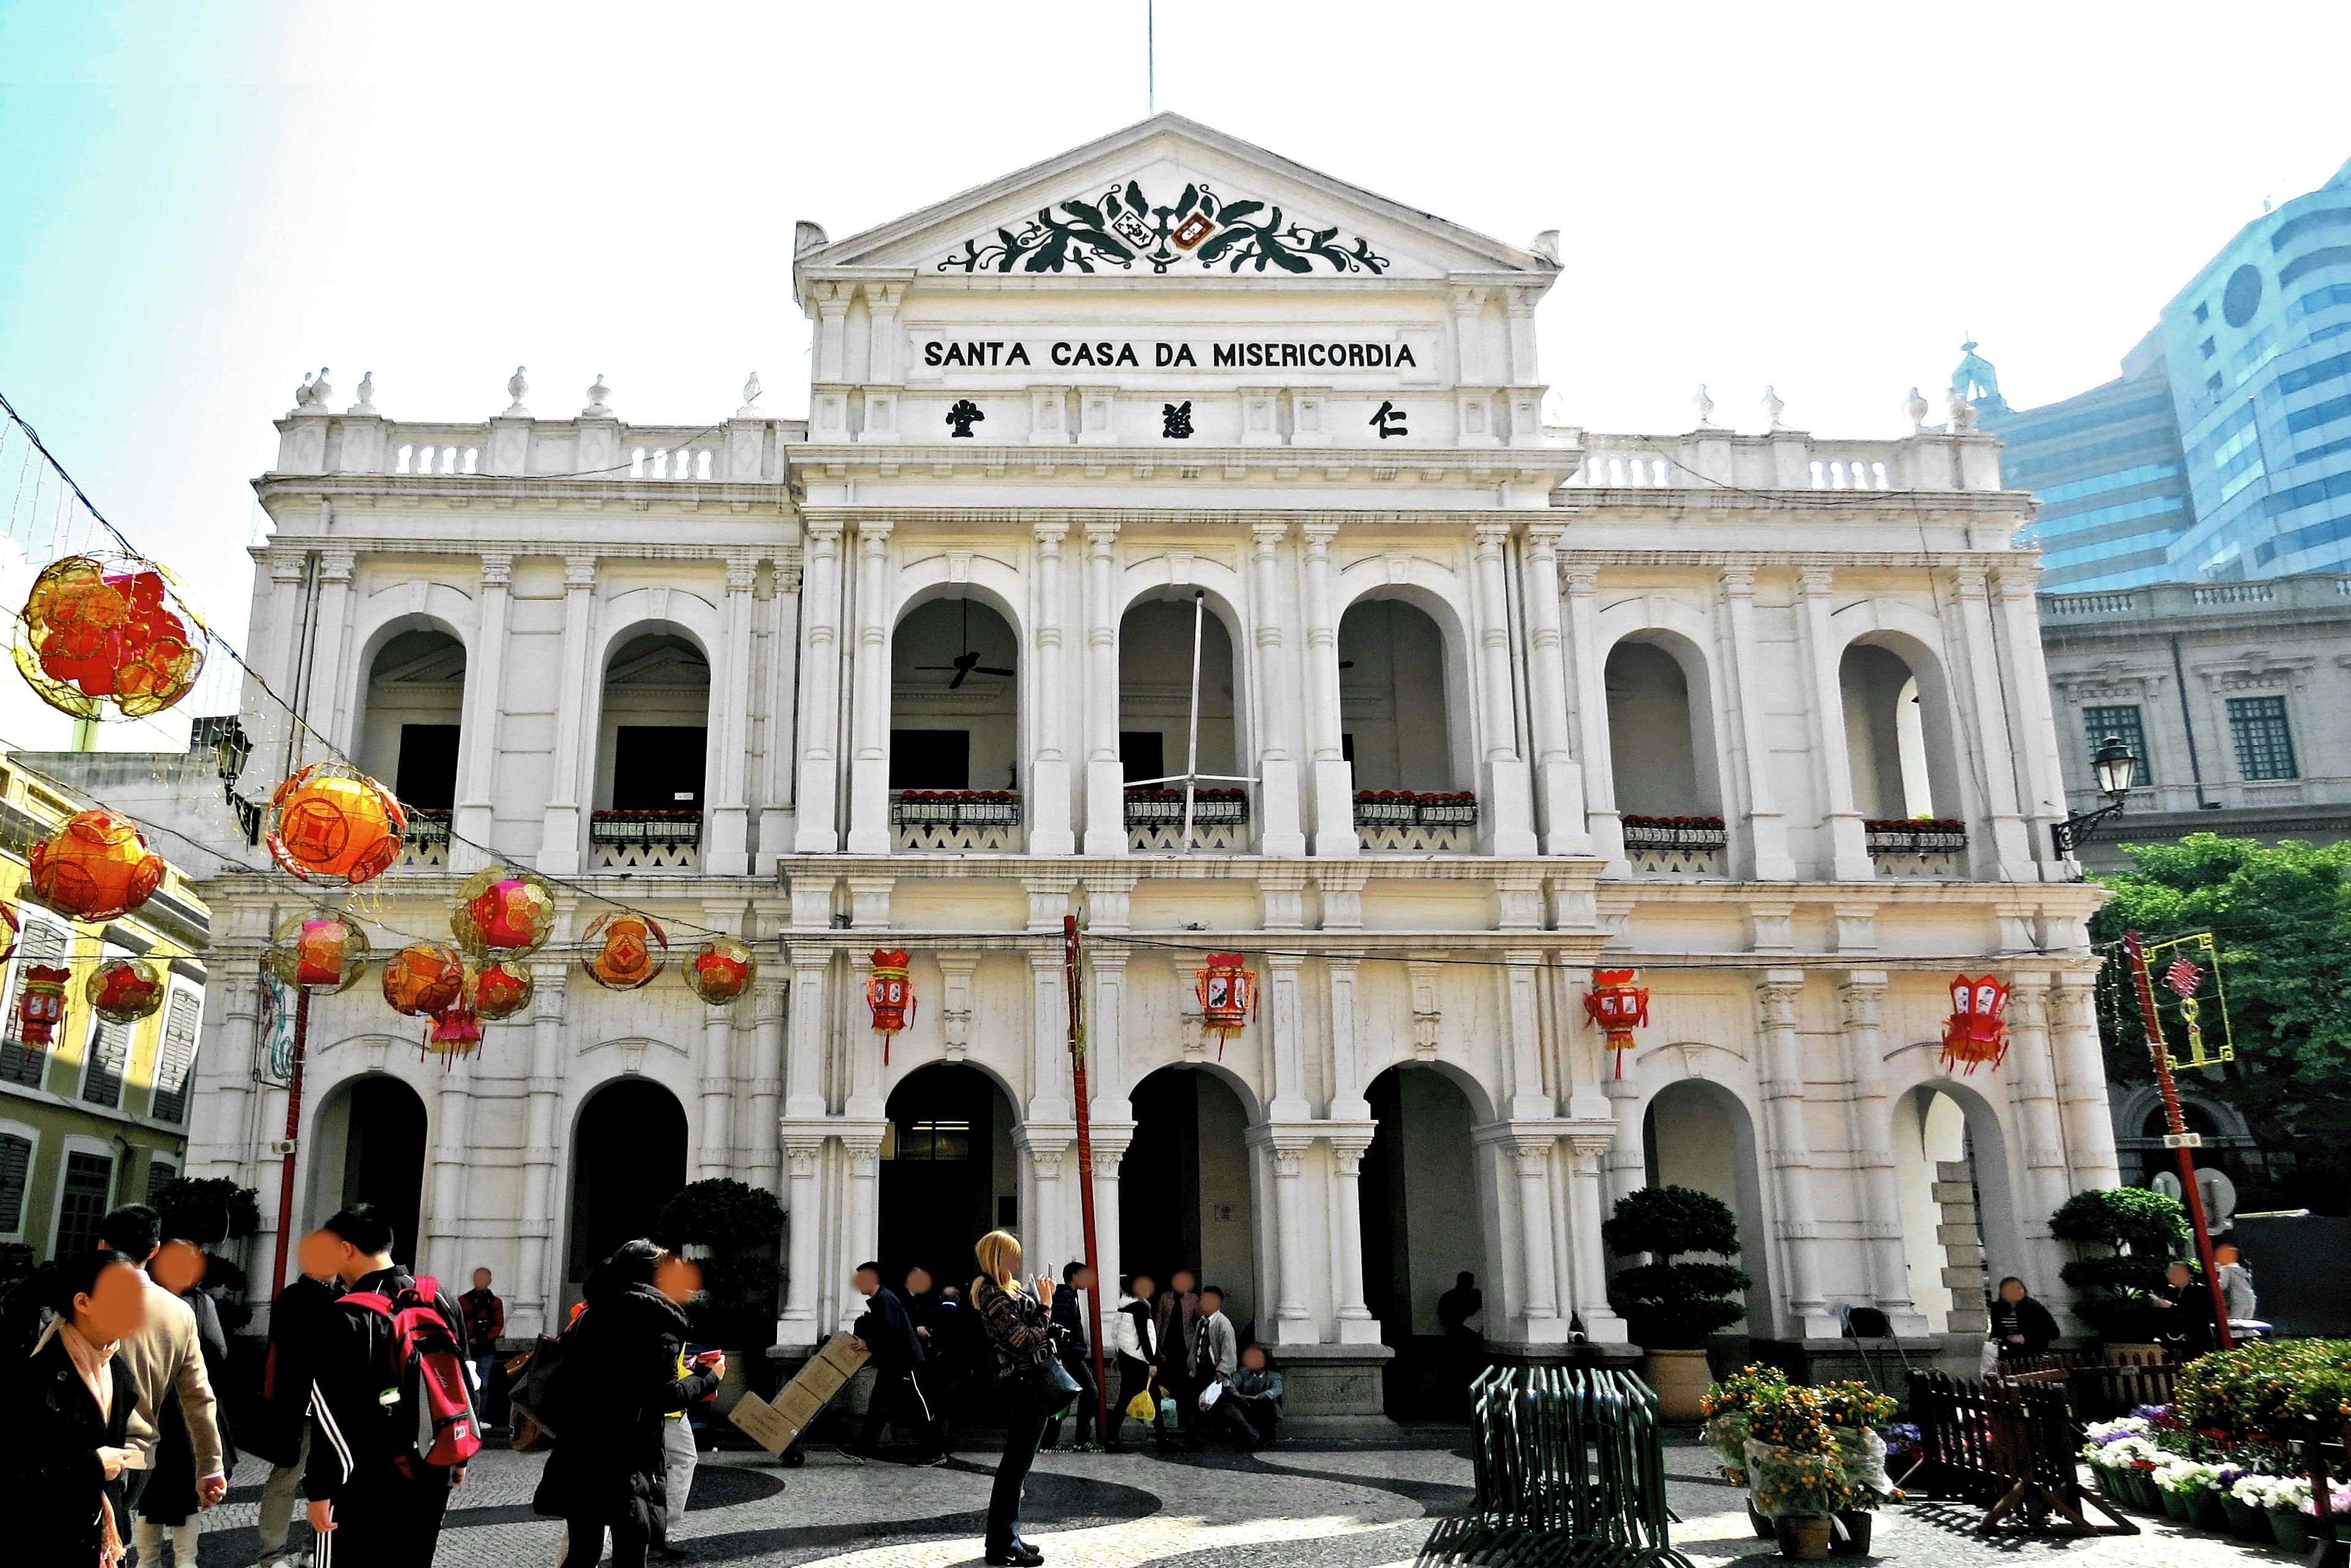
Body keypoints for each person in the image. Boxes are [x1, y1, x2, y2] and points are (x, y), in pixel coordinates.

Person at [533, 1240, 722, 1568]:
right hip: (626, 1456)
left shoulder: (592, 1313)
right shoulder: (656, 1319)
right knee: (631, 1553)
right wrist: (709, 1377)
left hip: (580, 1447)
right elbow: (663, 1396)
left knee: (581, 1554)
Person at [304, 1204, 472, 1567]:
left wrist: (321, 1490)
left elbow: (331, 1412)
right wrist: (459, 1454)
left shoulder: (347, 1313)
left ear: (347, 1249)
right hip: (434, 1464)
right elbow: (462, 1379)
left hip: (367, 1481)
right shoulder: (441, 1298)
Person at [0, 1248, 145, 1566]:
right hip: (47, 1545)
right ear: (83, 1303)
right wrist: (91, 1466)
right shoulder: (33, 1379)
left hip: (103, 1547)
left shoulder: (118, 1371)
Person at [95, 1205, 225, 1529]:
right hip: (137, 1452)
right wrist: (210, 1466)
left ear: (102, 1245)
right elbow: (199, 1396)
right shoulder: (179, 1312)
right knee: (116, 1541)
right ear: (154, 1250)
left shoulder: (82, 1298)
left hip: (83, 1452)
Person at [249, 1229, 343, 1568]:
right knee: (286, 1478)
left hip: (334, 1410)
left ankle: (313, 1548)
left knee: (332, 1481)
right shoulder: (294, 1298)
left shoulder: (343, 1297)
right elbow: (297, 1351)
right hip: (302, 1407)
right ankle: (271, 1554)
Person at [137, 1238, 234, 1567]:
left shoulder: (142, 1297)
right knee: (183, 1494)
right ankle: (183, 1562)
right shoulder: (198, 1303)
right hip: (187, 1412)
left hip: (151, 1406)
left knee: (152, 1495)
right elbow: (218, 1354)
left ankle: (149, 1561)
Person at [972, 1229, 1060, 1568]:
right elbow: (1022, 1339)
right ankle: (1001, 1545)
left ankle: (1008, 1538)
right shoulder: (993, 1294)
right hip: (1025, 1383)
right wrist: (1047, 1308)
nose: (1018, 1260)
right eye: (1012, 1254)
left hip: (1029, 1382)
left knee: (1018, 1469)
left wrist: (1042, 1301)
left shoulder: (1010, 1289)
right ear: (996, 1257)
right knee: (1014, 1468)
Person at [849, 1261, 944, 1463]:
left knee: (920, 1406)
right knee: (879, 1405)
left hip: (906, 1362)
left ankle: (935, 1452)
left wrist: (869, 1345)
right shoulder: (882, 1299)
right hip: (894, 1362)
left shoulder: (886, 1299)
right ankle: (863, 1449)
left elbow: (891, 1333)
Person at [650, 1251, 709, 1564]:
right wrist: (706, 1379)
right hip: (662, 1408)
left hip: (665, 1407)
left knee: (676, 1462)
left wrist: (690, 1367)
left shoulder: (665, 1311)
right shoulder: (663, 1314)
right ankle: (659, 1532)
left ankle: (658, 1531)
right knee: (678, 1461)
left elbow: (668, 1364)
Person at [1042, 1262, 1099, 1450]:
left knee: (1065, 1395)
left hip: (1069, 1354)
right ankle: (1079, 1438)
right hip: (1070, 1355)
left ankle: (1053, 1439)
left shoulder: (1068, 1295)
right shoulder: (1066, 1296)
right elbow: (1060, 1326)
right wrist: (1062, 1356)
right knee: (1089, 1391)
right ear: (1074, 1276)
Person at [1106, 1273, 1163, 1454]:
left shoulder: (1123, 1308)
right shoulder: (1140, 1308)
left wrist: (1118, 1355)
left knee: (1143, 1397)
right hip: (1140, 1360)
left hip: (1127, 1358)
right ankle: (1112, 1439)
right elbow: (1145, 1337)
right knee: (1128, 1400)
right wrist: (1152, 1361)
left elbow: (1117, 1334)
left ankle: (1162, 1437)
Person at [1153, 1270, 1201, 1446]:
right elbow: (1159, 1319)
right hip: (1168, 1344)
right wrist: (1156, 1344)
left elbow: (1199, 1319)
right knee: (1167, 1383)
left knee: (1186, 1387)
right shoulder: (1166, 1298)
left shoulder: (1193, 1299)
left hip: (1186, 1346)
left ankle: (1188, 1424)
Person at [1209, 1345, 1283, 1450]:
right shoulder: (1245, 1371)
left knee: (1267, 1408)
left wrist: (1258, 1397)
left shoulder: (1273, 1376)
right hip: (1247, 1404)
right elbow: (1232, 1382)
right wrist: (1236, 1394)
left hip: (1264, 1406)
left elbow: (1276, 1390)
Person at [460, 1267, 505, 1428]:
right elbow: (460, 1323)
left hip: (485, 1350)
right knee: (468, 1385)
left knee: (483, 1385)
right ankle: (468, 1417)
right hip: (468, 1349)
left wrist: (481, 1339)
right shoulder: (464, 1301)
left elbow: (497, 1325)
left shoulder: (495, 1303)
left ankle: (479, 1417)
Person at [2150, 1259, 2220, 1356]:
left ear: (2189, 1275)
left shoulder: (2201, 1291)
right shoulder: (2170, 1292)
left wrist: (2172, 1307)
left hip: (2196, 1339)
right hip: (2173, 1337)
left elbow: (2200, 1315)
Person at [1987, 1277, 2060, 1362]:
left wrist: (2025, 1338)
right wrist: (1995, 1339)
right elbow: (1997, 1330)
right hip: (2006, 1354)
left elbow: (2054, 1332)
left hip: (2032, 1354)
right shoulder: (1997, 1308)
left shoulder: (2034, 1307)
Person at [1191, 1286, 1239, 1416]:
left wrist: (1222, 1370)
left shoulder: (1223, 1323)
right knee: (1200, 1401)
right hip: (1202, 1369)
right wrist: (1192, 1365)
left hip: (1215, 1371)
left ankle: (1251, 1434)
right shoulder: (1202, 1322)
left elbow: (1229, 1350)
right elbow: (1197, 1345)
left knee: (1223, 1406)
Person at [2215, 1245, 2260, 1322]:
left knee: (2235, 1324)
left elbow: (2223, 1285)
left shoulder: (2227, 1269)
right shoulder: (2244, 1269)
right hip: (2250, 1299)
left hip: (2237, 1299)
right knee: (2247, 1325)